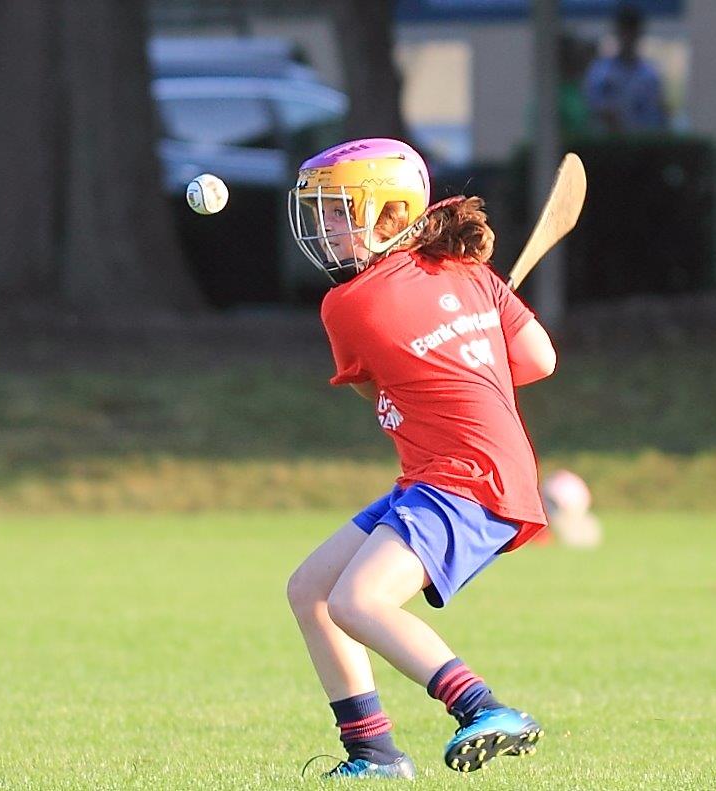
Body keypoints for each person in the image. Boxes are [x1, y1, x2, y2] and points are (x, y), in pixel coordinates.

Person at [285, 138, 558, 779]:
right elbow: (539, 360)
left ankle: (484, 709)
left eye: (338, 211)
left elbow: (372, 389)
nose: (324, 227)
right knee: (312, 592)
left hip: (466, 479)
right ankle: (373, 755)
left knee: (359, 602)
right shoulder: (470, 275)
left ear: (389, 216)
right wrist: (472, 341)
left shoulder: (347, 304)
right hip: (460, 472)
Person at [583, 3, 667, 134]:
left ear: (639, 33)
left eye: (632, 31)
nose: (628, 37)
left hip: (641, 145)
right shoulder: (600, 72)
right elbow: (592, 108)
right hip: (605, 145)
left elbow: (658, 114)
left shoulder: (650, 75)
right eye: (624, 31)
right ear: (617, 32)